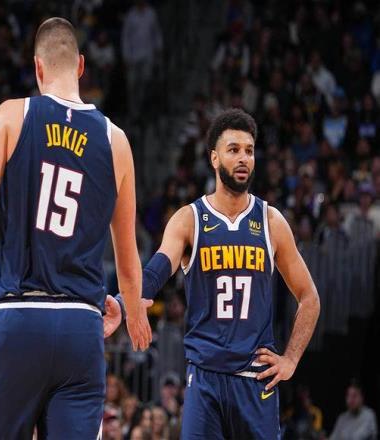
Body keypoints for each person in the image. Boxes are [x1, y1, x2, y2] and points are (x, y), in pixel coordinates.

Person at [0, 17, 151, 439]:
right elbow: (127, 259)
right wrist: (133, 312)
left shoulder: (15, 114)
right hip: (82, 326)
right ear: (81, 66)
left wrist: (8, 191)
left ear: (37, 67)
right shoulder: (116, 141)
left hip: (21, 319)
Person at [105, 108, 321, 439]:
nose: (243, 158)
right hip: (205, 379)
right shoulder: (189, 219)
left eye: (249, 151)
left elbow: (309, 298)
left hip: (255, 381)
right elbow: (156, 272)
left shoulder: (271, 221)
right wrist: (124, 303)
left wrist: (290, 359)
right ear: (214, 158)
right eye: (233, 150)